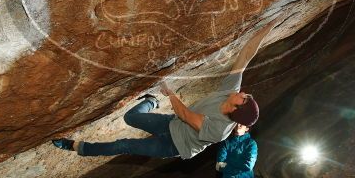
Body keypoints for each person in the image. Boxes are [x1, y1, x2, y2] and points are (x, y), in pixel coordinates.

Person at [52, 18, 280, 159]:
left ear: (235, 108)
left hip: (173, 145)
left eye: (243, 98)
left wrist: (170, 92)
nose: (243, 93)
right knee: (130, 118)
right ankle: (151, 101)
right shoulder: (230, 90)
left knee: (125, 145)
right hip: (172, 123)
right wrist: (267, 28)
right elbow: (245, 58)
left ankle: (76, 147)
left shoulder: (220, 129)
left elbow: (185, 114)